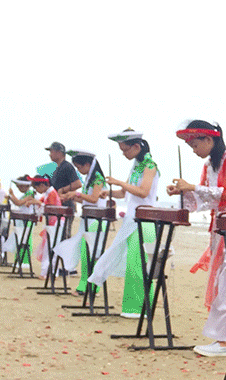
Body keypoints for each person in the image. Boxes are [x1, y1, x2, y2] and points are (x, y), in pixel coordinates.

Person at [166, 120, 226, 357]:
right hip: (220, 224)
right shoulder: (208, 165)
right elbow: (205, 201)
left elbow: (225, 193)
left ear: (209, 140)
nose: (193, 149)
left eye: (195, 144)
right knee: (220, 280)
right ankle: (223, 338)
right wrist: (184, 191)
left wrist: (192, 186)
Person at [89, 130, 159, 318]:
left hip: (144, 221)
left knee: (140, 265)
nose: (123, 154)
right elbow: (128, 192)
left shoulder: (150, 166)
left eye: (125, 150)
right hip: (132, 219)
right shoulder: (136, 166)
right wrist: (110, 192)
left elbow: (143, 192)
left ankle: (142, 308)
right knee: (132, 263)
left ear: (136, 147)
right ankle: (132, 307)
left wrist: (120, 182)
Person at [55, 150, 106, 295]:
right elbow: (86, 198)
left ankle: (91, 286)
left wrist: (76, 194)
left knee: (92, 254)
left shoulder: (98, 179)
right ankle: (86, 284)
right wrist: (71, 196)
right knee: (86, 254)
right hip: (88, 219)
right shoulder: (90, 179)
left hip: (96, 220)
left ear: (88, 164)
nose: (78, 170)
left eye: (79, 167)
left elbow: (94, 199)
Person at [46, 141, 81, 237]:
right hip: (58, 207)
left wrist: (63, 189)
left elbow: (78, 184)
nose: (50, 155)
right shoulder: (57, 168)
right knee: (56, 235)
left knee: (64, 235)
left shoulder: (67, 166)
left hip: (66, 206)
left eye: (51, 152)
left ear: (59, 152)